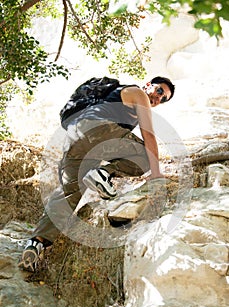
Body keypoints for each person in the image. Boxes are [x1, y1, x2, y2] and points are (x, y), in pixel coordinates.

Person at [18, 76, 175, 272]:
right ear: (148, 85)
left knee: (70, 193)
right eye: (159, 91)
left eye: (164, 99)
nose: (158, 99)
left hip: (76, 135)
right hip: (98, 129)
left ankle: (36, 243)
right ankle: (102, 173)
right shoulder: (137, 93)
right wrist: (157, 174)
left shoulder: (116, 99)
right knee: (145, 156)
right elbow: (148, 134)